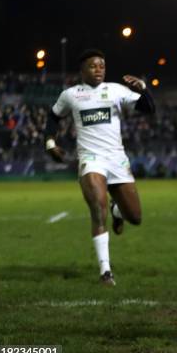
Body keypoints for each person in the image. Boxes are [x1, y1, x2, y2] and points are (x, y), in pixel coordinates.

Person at [44, 49, 155, 285]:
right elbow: (53, 117)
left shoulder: (115, 90)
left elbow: (148, 109)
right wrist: (50, 142)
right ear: (82, 70)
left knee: (135, 217)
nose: (99, 70)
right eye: (94, 66)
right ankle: (105, 270)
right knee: (97, 209)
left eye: (102, 66)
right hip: (90, 158)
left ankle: (118, 211)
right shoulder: (71, 95)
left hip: (116, 159)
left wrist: (143, 89)